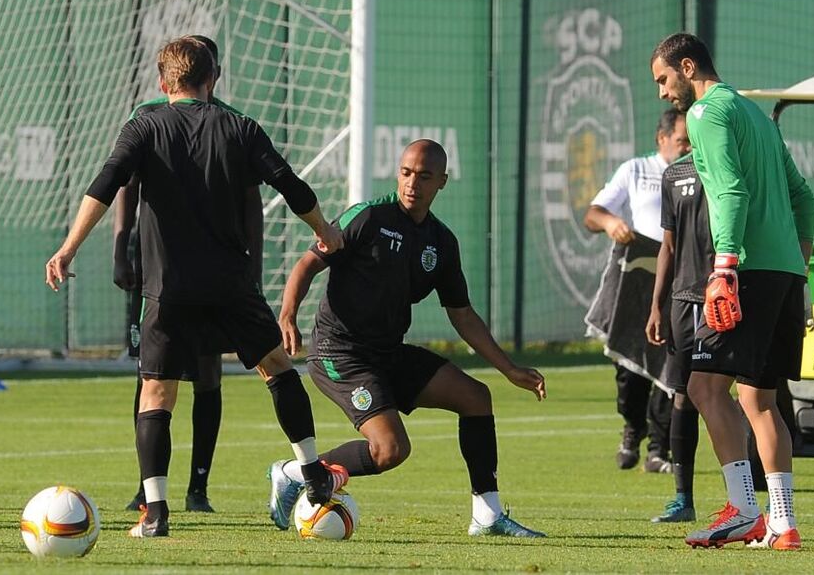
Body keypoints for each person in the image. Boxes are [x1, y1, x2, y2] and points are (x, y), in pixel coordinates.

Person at [45, 36, 348, 538]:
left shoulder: (145, 124)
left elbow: (105, 183)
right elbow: (290, 183)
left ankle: (156, 512)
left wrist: (68, 248)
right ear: (213, 78)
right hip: (232, 283)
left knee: (157, 394)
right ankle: (312, 470)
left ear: (164, 83)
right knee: (277, 367)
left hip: (168, 288)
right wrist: (323, 230)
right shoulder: (240, 126)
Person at [272, 139, 547, 538]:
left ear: (442, 183)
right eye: (406, 172)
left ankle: (487, 515)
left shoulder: (440, 242)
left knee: (476, 398)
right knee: (390, 450)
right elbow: (308, 262)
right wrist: (288, 314)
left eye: (424, 176)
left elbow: (462, 315)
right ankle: (297, 473)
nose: (412, 183)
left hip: (388, 353)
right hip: (340, 354)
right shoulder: (367, 217)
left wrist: (509, 369)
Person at [651, 32, 814, 549]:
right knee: (758, 400)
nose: (662, 92)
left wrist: (724, 265)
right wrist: (797, 266)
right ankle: (783, 523)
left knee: (703, 389)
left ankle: (744, 510)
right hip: (784, 272)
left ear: (686, 65)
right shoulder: (758, 118)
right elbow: (804, 198)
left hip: (744, 270)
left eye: (662, 79)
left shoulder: (705, 114)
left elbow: (730, 191)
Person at [113, 35, 257, 514]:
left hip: (216, 269)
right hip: (157, 266)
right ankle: (146, 487)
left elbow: (249, 202)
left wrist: (250, 267)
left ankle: (199, 487)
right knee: (150, 372)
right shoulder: (148, 117)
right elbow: (123, 185)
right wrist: (121, 249)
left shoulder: (232, 124)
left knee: (208, 371)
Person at [583, 109, 692, 473]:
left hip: (678, 278)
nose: (687, 148)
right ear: (661, 139)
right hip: (637, 278)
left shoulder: (698, 172)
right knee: (628, 372)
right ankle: (633, 427)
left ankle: (658, 450)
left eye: (691, 142)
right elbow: (593, 214)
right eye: (681, 141)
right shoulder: (635, 170)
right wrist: (612, 222)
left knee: (670, 362)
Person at [645, 151, 713, 523]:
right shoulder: (674, 174)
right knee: (683, 397)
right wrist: (657, 305)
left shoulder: (731, 165)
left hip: (726, 296)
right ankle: (683, 500)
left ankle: (753, 500)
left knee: (749, 397)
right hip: (684, 301)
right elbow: (667, 246)